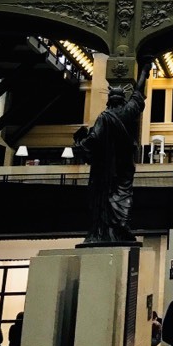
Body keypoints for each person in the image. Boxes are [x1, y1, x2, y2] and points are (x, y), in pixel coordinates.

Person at [74, 60, 151, 243]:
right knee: (123, 197)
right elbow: (138, 93)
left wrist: (80, 141)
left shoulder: (105, 117)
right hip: (123, 170)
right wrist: (144, 71)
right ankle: (120, 229)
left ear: (109, 102)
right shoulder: (127, 113)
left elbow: (92, 141)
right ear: (122, 101)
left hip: (106, 171)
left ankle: (106, 233)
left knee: (105, 200)